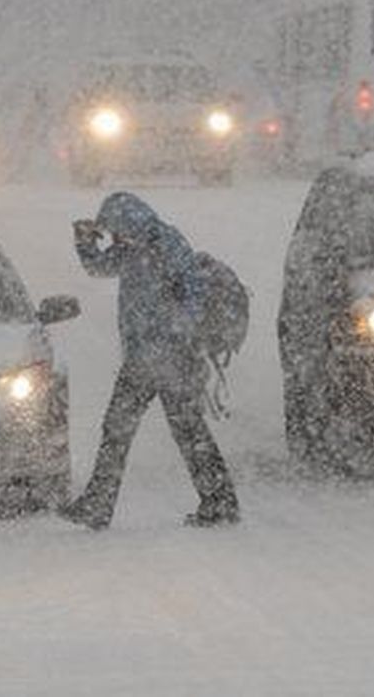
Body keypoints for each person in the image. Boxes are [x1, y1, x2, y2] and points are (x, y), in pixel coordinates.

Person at [61, 192, 239, 530]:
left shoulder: (166, 245)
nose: (115, 238)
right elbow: (99, 267)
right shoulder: (133, 247)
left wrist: (171, 335)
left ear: (131, 221)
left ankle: (100, 505)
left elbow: (194, 296)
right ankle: (220, 502)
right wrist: (85, 243)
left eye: (116, 230)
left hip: (169, 358)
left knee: (131, 429)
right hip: (146, 357)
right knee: (176, 431)